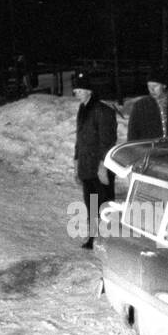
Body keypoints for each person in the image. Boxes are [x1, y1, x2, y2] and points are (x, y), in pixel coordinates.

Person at [72, 71, 117, 250]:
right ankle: (92, 237)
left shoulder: (102, 110)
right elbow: (80, 138)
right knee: (90, 204)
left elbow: (108, 140)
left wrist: (102, 165)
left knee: (105, 204)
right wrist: (76, 163)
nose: (78, 93)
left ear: (90, 91)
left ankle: (111, 240)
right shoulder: (83, 109)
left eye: (82, 89)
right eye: (76, 90)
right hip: (86, 166)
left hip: (99, 167)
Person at [126, 67, 168, 142]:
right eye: (149, 86)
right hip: (149, 150)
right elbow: (132, 133)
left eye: (155, 86)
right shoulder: (140, 106)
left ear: (164, 85)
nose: (151, 90)